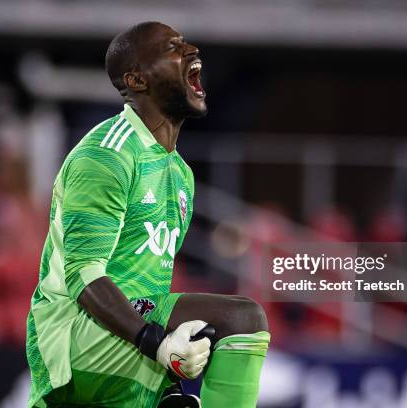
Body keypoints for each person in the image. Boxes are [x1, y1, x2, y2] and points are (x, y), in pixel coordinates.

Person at [26, 21, 269, 408]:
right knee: (241, 321)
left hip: (120, 335)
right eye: (173, 47)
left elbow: (150, 290)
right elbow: (84, 278)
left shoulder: (181, 175)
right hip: (71, 334)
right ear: (137, 80)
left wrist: (168, 381)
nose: (192, 51)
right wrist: (155, 344)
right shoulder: (107, 154)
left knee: (197, 343)